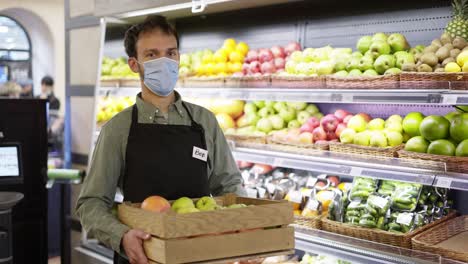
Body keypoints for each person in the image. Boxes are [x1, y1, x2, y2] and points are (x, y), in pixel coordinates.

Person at [76, 15, 246, 264]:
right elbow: (91, 203)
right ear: (134, 64)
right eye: (152, 55)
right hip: (142, 254)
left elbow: (229, 185)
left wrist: (246, 231)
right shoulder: (118, 129)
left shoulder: (204, 121)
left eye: (171, 53)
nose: (164, 62)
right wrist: (122, 236)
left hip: (200, 254)